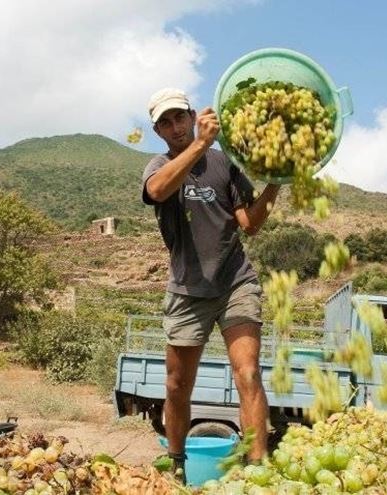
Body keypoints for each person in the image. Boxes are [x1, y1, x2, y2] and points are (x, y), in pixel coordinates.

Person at [141, 88, 280, 479]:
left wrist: (276, 183)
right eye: (165, 123)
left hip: (235, 281)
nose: (174, 127)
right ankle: (177, 463)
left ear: (190, 115)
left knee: (249, 373)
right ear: (158, 130)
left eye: (179, 118)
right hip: (188, 289)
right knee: (177, 384)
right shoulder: (159, 165)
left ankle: (256, 469)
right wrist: (200, 145)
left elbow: (250, 225)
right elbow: (157, 191)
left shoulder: (224, 164)